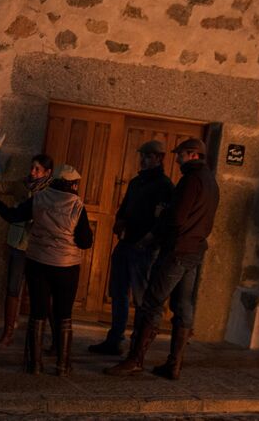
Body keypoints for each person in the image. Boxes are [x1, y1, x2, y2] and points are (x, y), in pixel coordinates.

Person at [104, 138, 219, 380]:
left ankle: (135, 359)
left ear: (193, 154)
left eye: (181, 154)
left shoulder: (191, 180)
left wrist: (155, 231)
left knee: (151, 303)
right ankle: (173, 364)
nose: (177, 158)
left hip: (178, 250)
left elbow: (176, 217)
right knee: (182, 307)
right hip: (194, 250)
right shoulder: (210, 180)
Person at [0, 164, 93, 376]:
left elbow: (13, 215)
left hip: (37, 264)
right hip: (66, 267)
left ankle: (34, 364)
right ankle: (63, 365)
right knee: (64, 314)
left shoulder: (39, 198)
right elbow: (85, 242)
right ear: (73, 184)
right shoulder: (77, 206)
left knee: (38, 312)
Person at [89, 140, 174, 356]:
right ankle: (115, 338)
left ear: (159, 158)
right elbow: (125, 207)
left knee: (141, 297)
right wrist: (120, 222)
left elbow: (163, 218)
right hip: (126, 243)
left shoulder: (164, 185)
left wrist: (149, 239)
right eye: (142, 155)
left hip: (144, 248)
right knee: (118, 292)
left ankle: (137, 344)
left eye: (148, 156)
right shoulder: (136, 182)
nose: (143, 159)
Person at [0, 154, 54, 348]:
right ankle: (8, 333)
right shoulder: (21, 185)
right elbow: (0, 187)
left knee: (44, 293)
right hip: (18, 244)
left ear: (47, 172)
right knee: (12, 288)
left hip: (38, 246)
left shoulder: (51, 191)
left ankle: (54, 337)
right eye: (32, 167)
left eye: (37, 169)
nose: (32, 172)